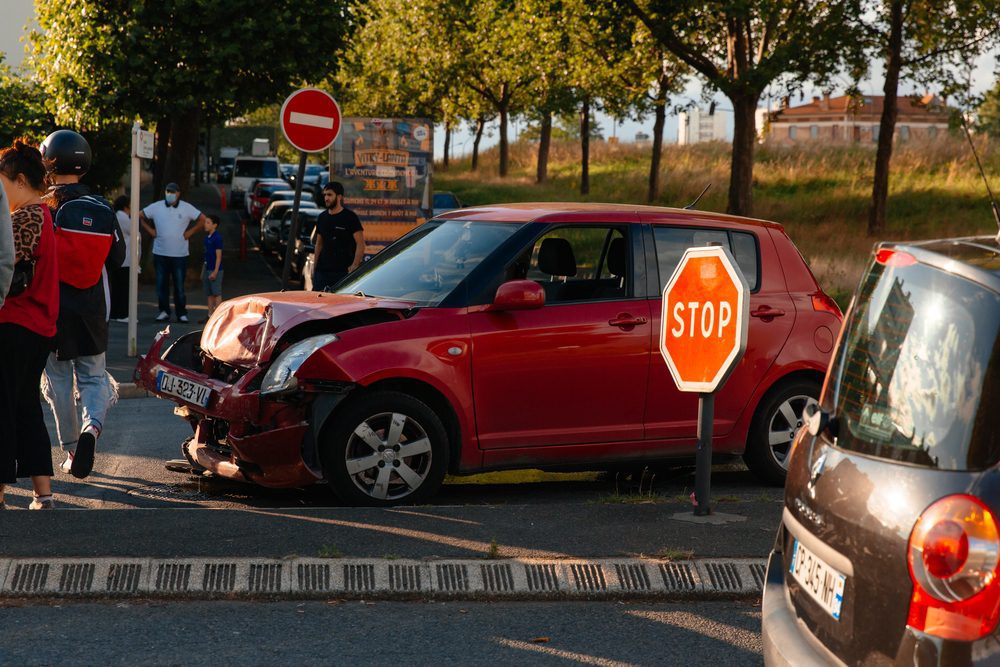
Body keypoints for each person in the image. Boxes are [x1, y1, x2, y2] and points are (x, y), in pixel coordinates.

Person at [40, 129, 125, 480]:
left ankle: (73, 450)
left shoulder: (45, 206)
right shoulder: (103, 207)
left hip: (54, 306)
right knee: (92, 377)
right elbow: (118, 259)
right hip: (93, 308)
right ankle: (93, 429)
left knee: (57, 378)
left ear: (48, 162)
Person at [139, 182, 208, 322]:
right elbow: (139, 215)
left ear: (179, 193)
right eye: (168, 191)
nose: (170, 194)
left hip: (179, 254)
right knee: (161, 285)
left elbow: (203, 219)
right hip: (160, 253)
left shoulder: (186, 208)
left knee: (179, 286)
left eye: (173, 192)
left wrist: (190, 232)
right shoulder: (156, 207)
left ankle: (181, 313)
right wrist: (150, 230)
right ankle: (164, 311)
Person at [312, 181, 364, 291]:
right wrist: (314, 267)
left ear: (339, 197)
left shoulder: (350, 217)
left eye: (330, 195)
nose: (326, 198)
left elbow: (360, 243)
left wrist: (355, 265)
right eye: (325, 195)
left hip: (342, 272)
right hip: (322, 272)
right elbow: (319, 244)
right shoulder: (322, 217)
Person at [108, 194, 136, 322]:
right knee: (124, 288)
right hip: (127, 258)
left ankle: (115, 313)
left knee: (118, 287)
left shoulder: (116, 216)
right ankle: (123, 314)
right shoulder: (123, 217)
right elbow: (135, 232)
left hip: (120, 257)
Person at [201, 213, 223, 321]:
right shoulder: (206, 238)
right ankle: (210, 314)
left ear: (214, 225)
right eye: (205, 222)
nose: (205, 224)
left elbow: (219, 256)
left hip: (214, 269)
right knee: (209, 293)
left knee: (216, 293)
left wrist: (215, 271)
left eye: (208, 222)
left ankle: (217, 316)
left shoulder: (217, 238)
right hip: (207, 267)